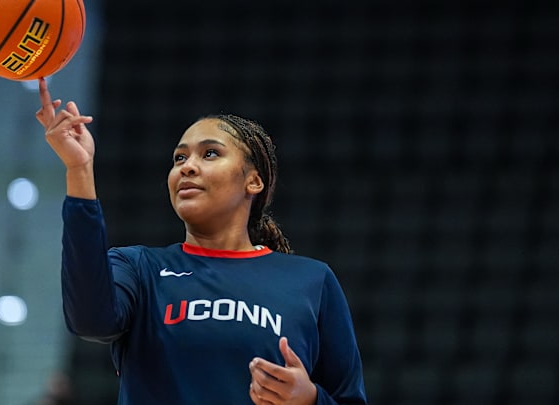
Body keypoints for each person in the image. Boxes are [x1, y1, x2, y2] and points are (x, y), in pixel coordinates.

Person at [36, 77, 368, 405]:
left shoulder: (312, 281)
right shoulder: (139, 268)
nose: (187, 167)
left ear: (253, 181)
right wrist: (79, 169)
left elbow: (348, 398)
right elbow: (89, 320)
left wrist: (309, 399)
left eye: (210, 154)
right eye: (179, 158)